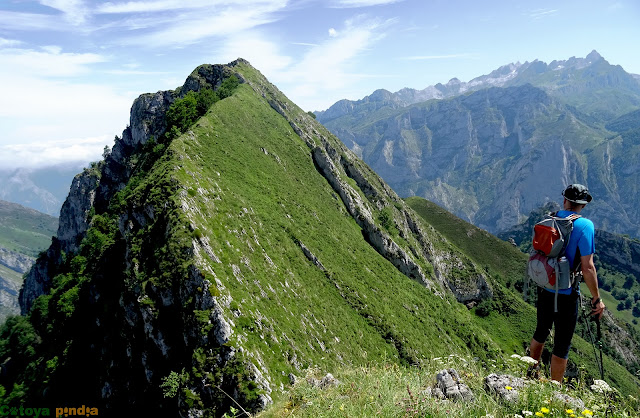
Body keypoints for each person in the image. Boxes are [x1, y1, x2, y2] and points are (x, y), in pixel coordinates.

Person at [528, 184, 606, 382]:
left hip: (545, 284)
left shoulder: (551, 217)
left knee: (541, 331)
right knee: (562, 343)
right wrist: (596, 298)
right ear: (583, 205)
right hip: (566, 291)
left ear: (565, 200)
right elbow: (588, 267)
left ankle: (530, 375)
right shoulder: (585, 226)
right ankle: (555, 389)